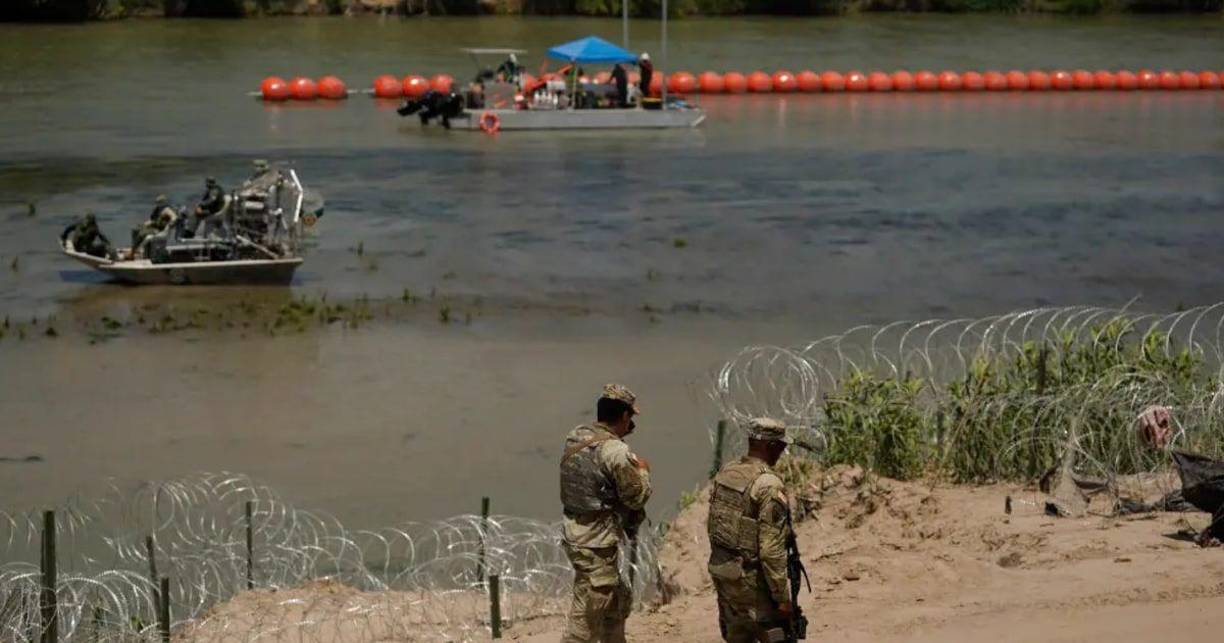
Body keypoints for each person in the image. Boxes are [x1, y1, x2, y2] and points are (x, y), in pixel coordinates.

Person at [560, 384, 652, 643]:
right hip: (596, 541)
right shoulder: (616, 452)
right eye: (630, 418)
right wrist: (643, 471)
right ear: (624, 417)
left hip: (577, 532)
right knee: (586, 618)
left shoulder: (577, 436)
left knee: (616, 602)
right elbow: (636, 497)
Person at [707, 418, 799, 643]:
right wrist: (782, 598)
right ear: (771, 446)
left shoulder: (728, 472)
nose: (781, 452)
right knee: (776, 636)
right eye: (781, 447)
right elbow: (770, 550)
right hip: (752, 582)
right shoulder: (768, 484)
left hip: (725, 574)